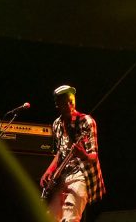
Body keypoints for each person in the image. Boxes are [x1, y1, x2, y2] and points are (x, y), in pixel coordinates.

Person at [40, 85, 106, 222]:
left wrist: (83, 155)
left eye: (68, 102)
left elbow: (93, 156)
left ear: (72, 102)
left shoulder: (86, 121)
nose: (67, 105)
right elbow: (60, 151)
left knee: (70, 218)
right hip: (63, 177)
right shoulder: (56, 124)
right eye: (60, 103)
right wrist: (49, 170)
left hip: (81, 175)